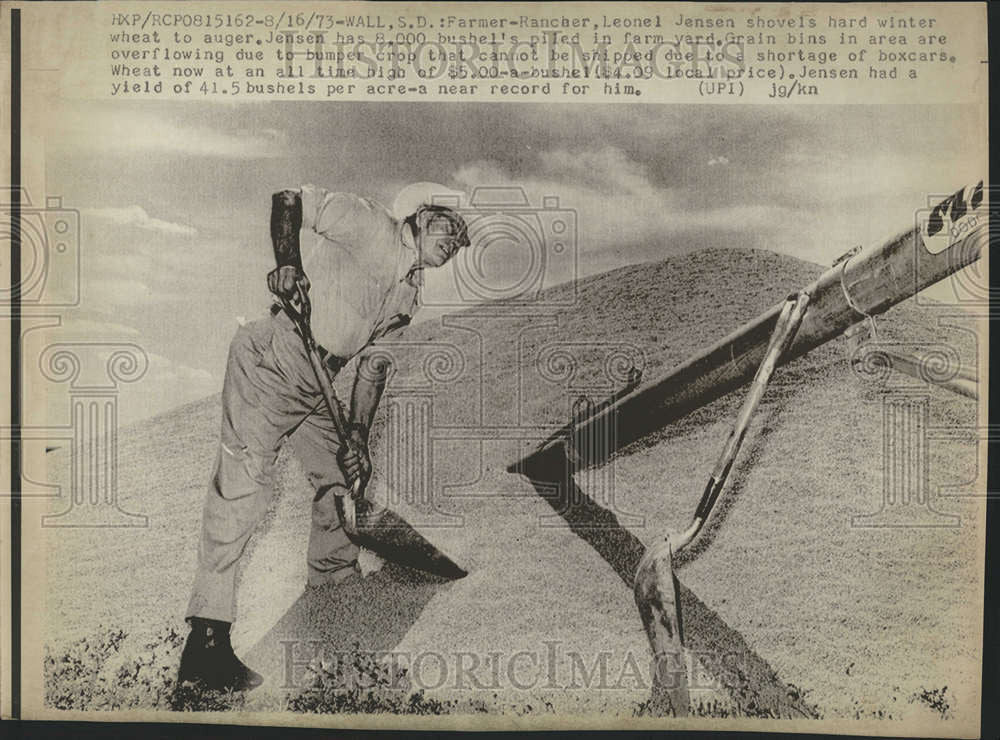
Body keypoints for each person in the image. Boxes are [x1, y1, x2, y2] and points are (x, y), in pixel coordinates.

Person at [177, 183, 470, 691]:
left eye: (463, 238)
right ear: (423, 215)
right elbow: (289, 200)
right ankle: (206, 644)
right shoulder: (370, 224)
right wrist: (288, 262)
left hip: (320, 382)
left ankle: (331, 591)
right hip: (273, 358)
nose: (458, 241)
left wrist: (356, 435)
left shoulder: (409, 296)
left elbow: (374, 368)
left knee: (339, 478)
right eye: (452, 227)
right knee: (245, 487)